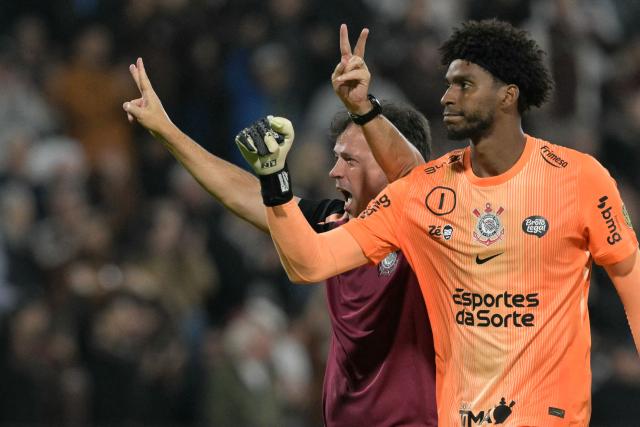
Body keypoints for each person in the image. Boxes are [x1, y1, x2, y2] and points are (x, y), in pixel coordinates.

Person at [236, 20, 640, 426]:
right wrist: (274, 179)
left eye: (464, 85)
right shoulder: (424, 192)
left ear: (508, 95)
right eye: (448, 84)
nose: (446, 96)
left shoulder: (578, 179)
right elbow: (311, 262)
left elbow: (631, 277)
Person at [122, 28, 438, 425]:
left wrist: (364, 107)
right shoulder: (334, 222)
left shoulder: (433, 229)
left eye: (350, 160)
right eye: (336, 157)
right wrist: (168, 131)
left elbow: (418, 182)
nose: (334, 170)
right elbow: (244, 194)